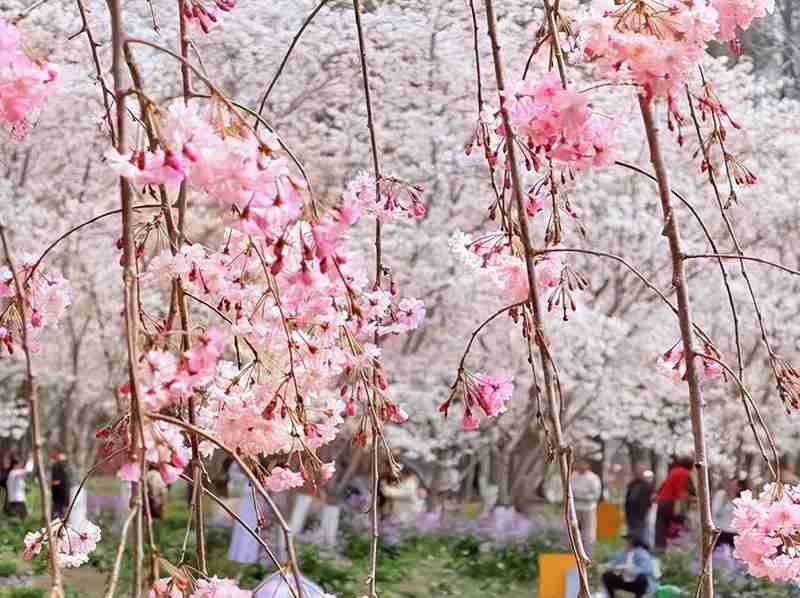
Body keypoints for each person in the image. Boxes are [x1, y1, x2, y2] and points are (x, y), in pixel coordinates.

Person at [654, 457, 693, 550]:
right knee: (678, 524)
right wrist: (679, 505)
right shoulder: (685, 473)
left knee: (661, 525)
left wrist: (657, 495)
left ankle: (660, 547)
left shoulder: (673, 471)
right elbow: (680, 489)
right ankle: (677, 546)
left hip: (662, 501)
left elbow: (664, 484)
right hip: (671, 501)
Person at [572, 460, 602, 556]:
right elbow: (570, 490)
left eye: (583, 463)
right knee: (573, 530)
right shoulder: (573, 476)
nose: (581, 465)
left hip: (588, 509)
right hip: (575, 508)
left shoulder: (593, 478)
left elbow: (596, 495)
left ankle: (588, 554)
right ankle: (573, 552)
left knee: (588, 533)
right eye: (579, 463)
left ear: (588, 465)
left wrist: (582, 496)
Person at [713, 477, 747, 549]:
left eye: (735, 486)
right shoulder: (721, 494)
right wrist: (725, 502)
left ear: (740, 488)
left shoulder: (742, 499)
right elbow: (715, 513)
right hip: (720, 532)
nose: (732, 488)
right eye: (731, 485)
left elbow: (743, 518)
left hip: (734, 534)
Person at [625, 464, 654, 544]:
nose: (639, 473)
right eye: (638, 471)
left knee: (641, 530)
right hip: (631, 512)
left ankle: (641, 544)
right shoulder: (632, 485)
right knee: (633, 529)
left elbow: (649, 500)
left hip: (641, 512)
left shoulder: (646, 485)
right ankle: (633, 544)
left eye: (641, 471)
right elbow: (628, 499)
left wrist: (647, 508)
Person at [146, 465, 168, 542]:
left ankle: (150, 540)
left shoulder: (148, 474)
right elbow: (163, 490)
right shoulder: (156, 474)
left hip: (150, 501)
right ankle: (155, 540)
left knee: (149, 522)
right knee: (156, 524)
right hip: (155, 502)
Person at [49, 447, 72, 520]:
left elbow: (56, 482)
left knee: (57, 517)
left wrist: (47, 484)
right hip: (65, 495)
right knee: (63, 515)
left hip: (59, 496)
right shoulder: (67, 465)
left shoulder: (56, 466)